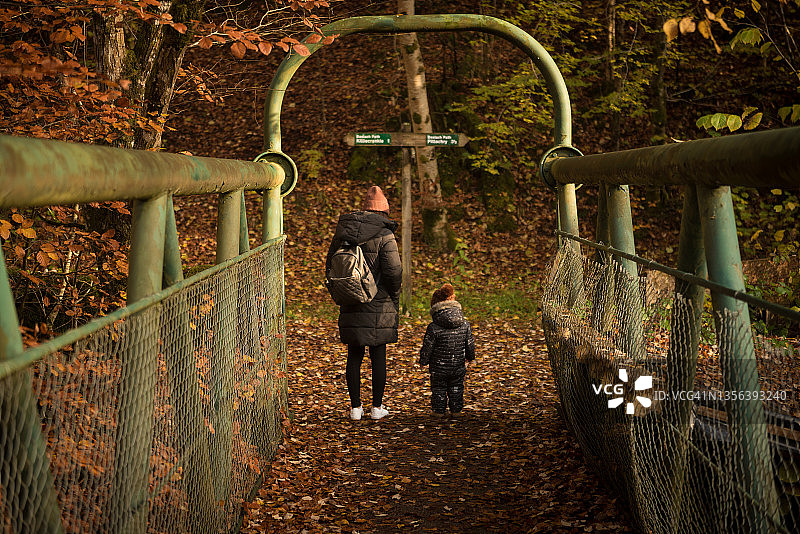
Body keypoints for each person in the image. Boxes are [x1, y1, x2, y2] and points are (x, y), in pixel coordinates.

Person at [326, 185, 402, 421]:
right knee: (378, 356)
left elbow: (331, 265)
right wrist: (393, 295)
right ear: (384, 212)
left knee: (354, 355)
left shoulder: (344, 232)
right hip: (378, 303)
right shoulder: (385, 235)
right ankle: (377, 408)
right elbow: (394, 272)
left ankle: (355, 408)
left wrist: (342, 292)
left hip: (351, 300)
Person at [419, 283, 475, 417]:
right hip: (458, 364)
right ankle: (456, 411)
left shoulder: (433, 327)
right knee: (457, 388)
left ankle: (438, 412)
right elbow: (469, 343)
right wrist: (471, 357)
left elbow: (428, 346)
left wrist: (423, 361)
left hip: (438, 367)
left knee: (438, 389)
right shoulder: (465, 324)